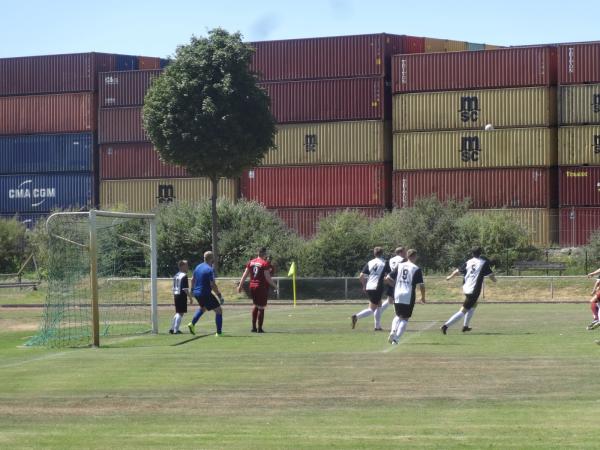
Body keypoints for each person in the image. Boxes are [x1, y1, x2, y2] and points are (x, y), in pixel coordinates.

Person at [441, 247, 496, 334]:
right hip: (474, 290)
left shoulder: (468, 262)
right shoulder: (483, 263)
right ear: (480, 253)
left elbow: (457, 271)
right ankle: (445, 326)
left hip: (466, 288)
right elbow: (491, 275)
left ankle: (465, 326)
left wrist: (450, 277)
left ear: (472, 253)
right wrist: (495, 280)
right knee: (463, 311)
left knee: (474, 305)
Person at [385, 249, 425, 345]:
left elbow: (387, 278)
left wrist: (396, 286)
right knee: (405, 318)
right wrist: (423, 297)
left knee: (398, 315)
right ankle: (396, 339)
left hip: (398, 293)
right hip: (408, 294)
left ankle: (393, 331)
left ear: (407, 256)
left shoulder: (400, 265)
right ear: (415, 256)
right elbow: (422, 286)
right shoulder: (416, 268)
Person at [237, 248, 278, 333]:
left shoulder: (251, 262)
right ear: (264, 254)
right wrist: (275, 286)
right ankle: (260, 328)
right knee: (261, 307)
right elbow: (268, 278)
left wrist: (240, 286)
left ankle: (253, 327)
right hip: (261, 287)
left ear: (258, 253)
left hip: (252, 286)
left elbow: (244, 275)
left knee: (256, 305)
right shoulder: (264, 263)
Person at [352, 247, 390, 331]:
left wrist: (364, 285)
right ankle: (356, 317)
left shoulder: (370, 262)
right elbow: (389, 275)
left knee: (379, 304)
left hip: (369, 286)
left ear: (374, 253)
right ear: (382, 253)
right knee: (372, 309)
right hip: (377, 287)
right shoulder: (385, 262)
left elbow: (361, 276)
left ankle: (378, 326)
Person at [187, 251, 224, 336]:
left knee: (203, 308)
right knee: (219, 311)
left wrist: (192, 291)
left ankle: (192, 324)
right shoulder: (209, 269)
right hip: (205, 293)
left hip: (197, 293)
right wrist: (219, 295)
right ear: (212, 259)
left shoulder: (198, 267)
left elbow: (192, 280)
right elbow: (213, 285)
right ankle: (219, 333)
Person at [386, 247, 406, 335]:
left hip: (390, 280)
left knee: (391, 300)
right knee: (396, 300)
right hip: (399, 282)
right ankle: (398, 316)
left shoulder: (390, 260)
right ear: (401, 252)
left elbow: (388, 271)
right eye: (404, 251)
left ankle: (397, 315)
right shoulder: (403, 260)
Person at [170, 260, 191, 334]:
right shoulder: (184, 276)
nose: (188, 267)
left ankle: (172, 329)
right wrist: (190, 297)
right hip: (181, 295)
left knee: (178, 312)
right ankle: (176, 330)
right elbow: (185, 289)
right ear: (181, 266)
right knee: (180, 313)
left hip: (176, 295)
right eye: (186, 265)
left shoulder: (176, 275)